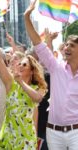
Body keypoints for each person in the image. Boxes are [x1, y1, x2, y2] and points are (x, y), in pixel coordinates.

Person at [24, 1, 78, 150]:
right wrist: (27, 17)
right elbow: (38, 45)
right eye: (66, 44)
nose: (66, 48)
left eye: (72, 46)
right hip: (53, 133)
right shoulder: (56, 68)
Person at [0, 22, 47, 149]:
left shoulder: (38, 88)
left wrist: (21, 82)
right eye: (19, 64)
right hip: (8, 136)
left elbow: (37, 98)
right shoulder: (10, 83)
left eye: (24, 64)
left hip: (26, 138)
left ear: (31, 70)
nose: (19, 65)